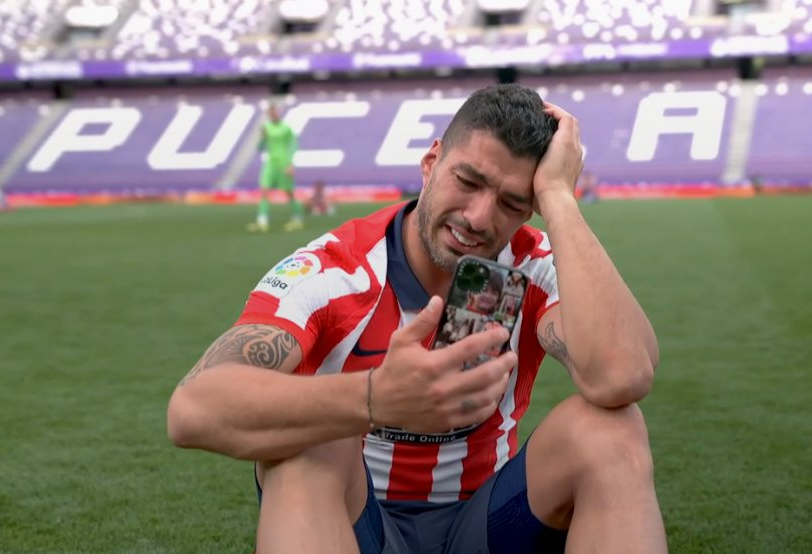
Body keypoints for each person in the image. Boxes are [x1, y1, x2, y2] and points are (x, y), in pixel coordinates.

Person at [168, 84, 666, 553]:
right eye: (468, 181)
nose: (478, 217)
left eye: (513, 202)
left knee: (612, 430)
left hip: (484, 524)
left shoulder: (530, 264)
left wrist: (559, 197)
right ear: (431, 162)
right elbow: (193, 410)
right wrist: (374, 397)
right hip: (360, 524)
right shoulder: (339, 271)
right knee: (310, 444)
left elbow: (621, 375)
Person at [248, 104, 305, 233]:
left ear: (278, 112)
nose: (274, 114)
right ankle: (262, 222)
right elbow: (260, 148)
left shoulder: (286, 128)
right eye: (271, 112)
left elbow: (293, 145)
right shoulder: (266, 128)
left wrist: (290, 163)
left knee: (289, 192)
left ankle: (298, 219)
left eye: (275, 111)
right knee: (264, 190)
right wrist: (262, 138)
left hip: (284, 163)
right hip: (270, 163)